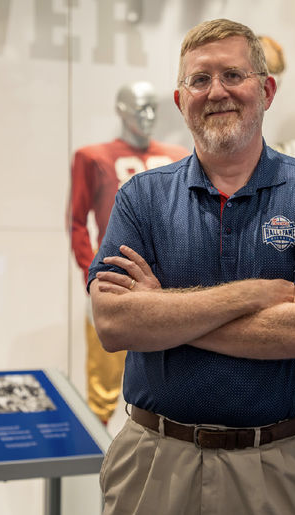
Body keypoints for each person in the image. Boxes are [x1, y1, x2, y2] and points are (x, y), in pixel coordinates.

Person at [88, 18, 295, 514]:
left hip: (278, 466)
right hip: (153, 463)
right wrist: (251, 294)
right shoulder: (141, 198)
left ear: (267, 89)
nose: (217, 92)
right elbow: (113, 323)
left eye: (233, 75)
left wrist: (161, 314)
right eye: (199, 79)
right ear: (179, 99)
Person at [67, 82, 188, 425]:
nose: (148, 116)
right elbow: (77, 221)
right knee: (103, 383)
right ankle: (97, 459)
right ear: (121, 110)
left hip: (170, 281)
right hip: (115, 278)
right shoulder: (93, 157)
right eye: (139, 108)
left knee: (172, 371)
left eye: (153, 108)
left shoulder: (178, 156)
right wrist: (91, 275)